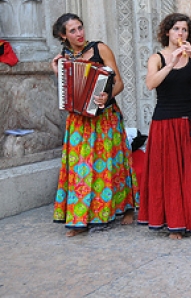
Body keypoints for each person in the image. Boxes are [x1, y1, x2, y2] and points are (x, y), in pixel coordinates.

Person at [50, 13, 138, 236]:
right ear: (63, 35)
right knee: (81, 168)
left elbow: (119, 82)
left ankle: (126, 207)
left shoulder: (100, 49)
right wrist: (56, 71)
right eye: (73, 30)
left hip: (105, 116)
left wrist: (106, 96)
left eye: (80, 28)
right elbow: (67, 91)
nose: (79, 33)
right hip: (78, 120)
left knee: (113, 164)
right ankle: (79, 218)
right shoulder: (63, 58)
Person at [137, 12, 191, 239]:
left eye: (184, 30)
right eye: (176, 29)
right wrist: (171, 64)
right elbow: (150, 84)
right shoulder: (157, 58)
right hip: (165, 121)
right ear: (167, 32)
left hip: (190, 119)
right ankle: (174, 219)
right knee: (171, 173)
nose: (180, 33)